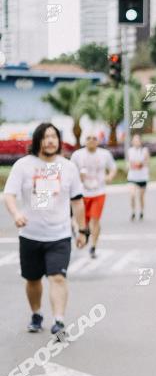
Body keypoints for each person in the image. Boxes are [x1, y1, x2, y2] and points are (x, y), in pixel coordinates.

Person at [3, 123, 90, 334]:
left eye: (54, 136)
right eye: (45, 137)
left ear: (59, 141)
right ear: (37, 141)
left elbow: (77, 201)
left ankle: (59, 321)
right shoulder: (23, 166)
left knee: (58, 278)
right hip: (30, 235)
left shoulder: (68, 167)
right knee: (33, 280)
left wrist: (83, 230)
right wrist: (16, 214)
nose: (50, 140)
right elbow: (9, 194)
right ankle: (36, 313)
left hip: (59, 235)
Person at [70, 133, 117, 258]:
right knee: (82, 222)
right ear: (84, 141)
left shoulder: (104, 154)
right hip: (82, 193)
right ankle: (83, 234)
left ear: (98, 141)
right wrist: (78, 177)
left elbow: (113, 168)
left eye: (94, 138)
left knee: (95, 220)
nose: (91, 141)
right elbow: (70, 172)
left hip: (98, 192)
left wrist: (110, 177)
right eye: (88, 138)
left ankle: (93, 247)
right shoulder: (77, 155)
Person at [127, 133, 150, 220]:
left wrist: (141, 164)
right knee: (132, 195)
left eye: (137, 140)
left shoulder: (144, 150)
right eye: (134, 141)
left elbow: (147, 162)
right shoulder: (130, 151)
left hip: (142, 177)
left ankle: (141, 211)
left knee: (141, 196)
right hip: (132, 177)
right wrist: (131, 165)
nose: (136, 142)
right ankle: (133, 211)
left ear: (140, 142)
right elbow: (129, 163)